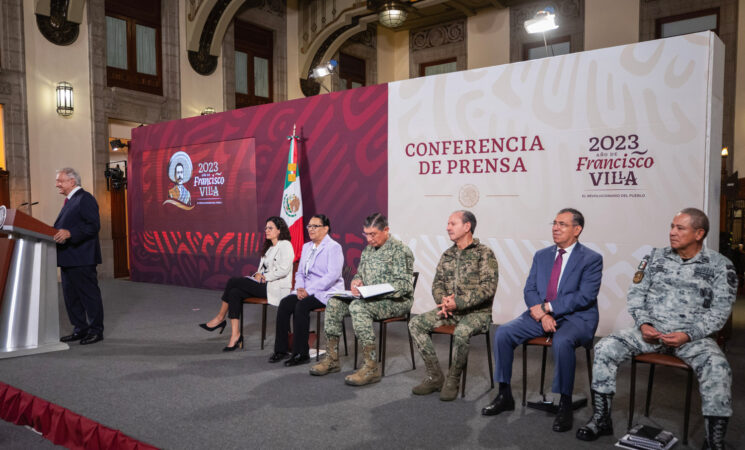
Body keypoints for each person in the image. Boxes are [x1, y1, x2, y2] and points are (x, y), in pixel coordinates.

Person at [577, 208, 735, 450]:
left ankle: (713, 440)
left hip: (693, 338)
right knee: (606, 347)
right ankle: (602, 418)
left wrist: (689, 334)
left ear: (699, 233)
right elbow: (636, 294)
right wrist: (644, 324)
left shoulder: (719, 265)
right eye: (672, 226)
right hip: (649, 333)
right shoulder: (654, 257)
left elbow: (720, 312)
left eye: (680, 228)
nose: (672, 232)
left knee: (718, 367)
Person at [483, 208, 602, 432]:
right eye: (554, 223)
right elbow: (530, 289)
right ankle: (504, 394)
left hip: (576, 317)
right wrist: (543, 314)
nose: (556, 228)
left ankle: (565, 403)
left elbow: (585, 296)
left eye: (563, 224)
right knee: (503, 333)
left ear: (577, 230)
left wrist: (549, 308)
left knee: (562, 341)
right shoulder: (542, 255)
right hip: (541, 314)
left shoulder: (591, 259)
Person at [310, 212, 414, 386]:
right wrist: (357, 281)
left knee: (359, 308)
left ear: (386, 230)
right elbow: (360, 273)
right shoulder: (368, 250)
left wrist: (376, 292)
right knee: (334, 303)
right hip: (369, 297)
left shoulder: (400, 251)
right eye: (366, 234)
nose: (369, 239)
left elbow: (404, 286)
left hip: (395, 301)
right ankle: (332, 359)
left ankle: (371, 367)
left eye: (373, 234)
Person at [408, 210, 498, 401]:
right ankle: (435, 376)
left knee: (461, 332)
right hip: (450, 310)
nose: (448, 227)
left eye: (452, 223)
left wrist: (459, 302)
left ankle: (453, 378)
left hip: (477, 313)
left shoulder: (484, 253)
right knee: (415, 324)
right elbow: (437, 283)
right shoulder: (447, 254)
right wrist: (444, 301)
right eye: (448, 224)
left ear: (467, 227)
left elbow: (488, 288)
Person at [199, 216, 294, 351]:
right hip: (263, 284)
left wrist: (264, 277)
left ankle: (220, 318)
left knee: (233, 281)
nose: (266, 230)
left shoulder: (285, 245)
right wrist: (257, 275)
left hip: (275, 287)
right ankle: (235, 335)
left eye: (270, 228)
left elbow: (284, 270)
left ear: (279, 230)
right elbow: (260, 271)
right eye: (266, 228)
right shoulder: (268, 248)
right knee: (234, 293)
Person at [269, 214, 344, 366]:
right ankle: (281, 350)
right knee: (285, 304)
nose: (310, 229)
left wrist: (308, 291)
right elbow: (300, 273)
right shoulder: (306, 247)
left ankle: (301, 353)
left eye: (315, 226)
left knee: (301, 306)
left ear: (326, 228)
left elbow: (332, 276)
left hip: (326, 291)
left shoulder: (334, 247)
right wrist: (300, 288)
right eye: (309, 226)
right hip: (305, 289)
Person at [54, 168, 105, 345]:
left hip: (82, 258)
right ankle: (80, 329)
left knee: (88, 295)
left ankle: (96, 330)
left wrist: (70, 233)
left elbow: (93, 226)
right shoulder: (70, 201)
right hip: (68, 257)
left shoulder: (85, 199)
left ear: (72, 182)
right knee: (71, 296)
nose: (57, 184)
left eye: (60, 181)